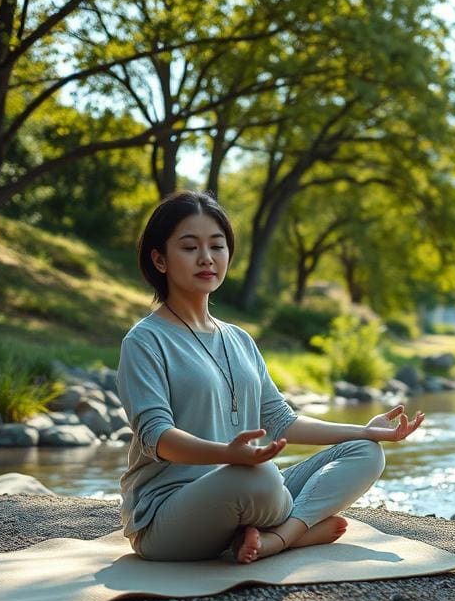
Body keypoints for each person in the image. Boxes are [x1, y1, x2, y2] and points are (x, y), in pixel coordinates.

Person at [117, 190, 424, 564]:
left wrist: (364, 430)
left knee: (366, 454)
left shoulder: (240, 339)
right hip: (167, 516)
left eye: (217, 246)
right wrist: (227, 455)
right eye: (189, 247)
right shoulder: (145, 340)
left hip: (246, 488)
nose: (206, 258)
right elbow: (157, 438)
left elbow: (281, 422)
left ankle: (279, 538)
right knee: (260, 478)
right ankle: (298, 531)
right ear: (160, 259)